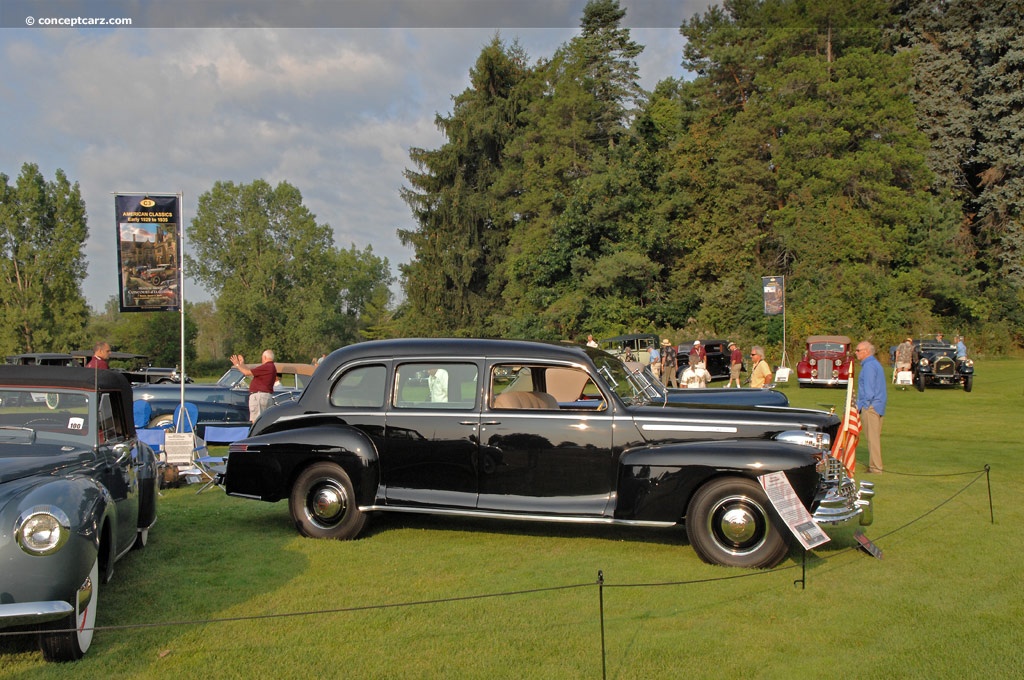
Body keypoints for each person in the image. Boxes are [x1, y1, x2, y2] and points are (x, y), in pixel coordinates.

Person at [855, 341, 887, 474]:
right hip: (879, 405)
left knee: (872, 438)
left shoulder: (868, 367)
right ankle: (874, 465)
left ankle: (876, 468)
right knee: (874, 437)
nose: (856, 353)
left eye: (858, 350)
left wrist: (863, 406)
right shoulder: (875, 365)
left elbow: (869, 390)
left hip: (871, 407)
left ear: (866, 351)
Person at [230, 349, 278, 422]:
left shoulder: (266, 367)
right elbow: (250, 373)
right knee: (264, 421)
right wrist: (242, 364)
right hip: (265, 396)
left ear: (264, 357)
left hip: (259, 397)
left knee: (256, 421)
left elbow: (246, 373)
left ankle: (256, 433)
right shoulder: (271, 367)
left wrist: (237, 364)